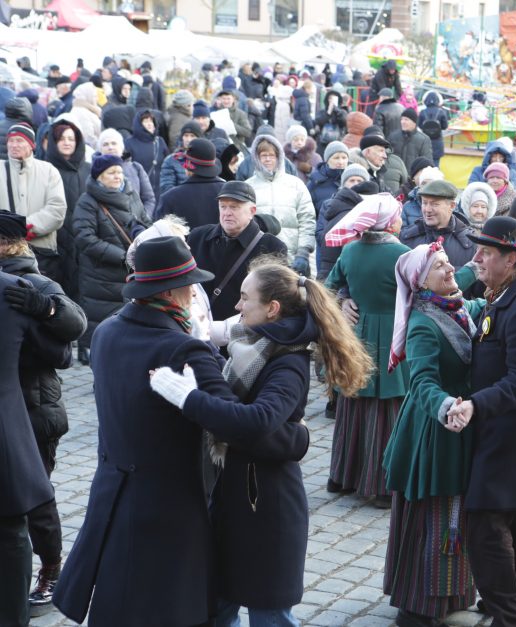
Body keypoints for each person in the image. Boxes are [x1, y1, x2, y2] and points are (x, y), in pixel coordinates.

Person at [52, 237, 302, 626]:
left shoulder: (106, 333)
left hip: (114, 497)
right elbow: (241, 423)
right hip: (171, 513)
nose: (194, 291)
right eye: (189, 283)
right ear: (171, 292)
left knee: (121, 609)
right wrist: (297, 438)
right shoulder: (184, 349)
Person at [149, 260, 371, 627]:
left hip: (268, 511)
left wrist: (189, 398)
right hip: (233, 501)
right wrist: (293, 438)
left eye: (244, 298)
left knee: (270, 615)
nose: (237, 306)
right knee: (220, 609)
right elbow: (261, 428)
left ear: (272, 309)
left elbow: (257, 422)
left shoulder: (288, 361)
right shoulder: (252, 345)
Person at [442, 215, 516, 626]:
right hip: (511, 427)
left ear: (511, 258)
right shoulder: (505, 294)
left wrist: (475, 404)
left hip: (513, 431)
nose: (477, 260)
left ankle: (509, 615)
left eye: (486, 253)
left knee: (487, 524)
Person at [383, 242, 481, 627]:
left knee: (453, 508)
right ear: (420, 282)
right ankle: (418, 603)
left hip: (459, 423)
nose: (449, 269)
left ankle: (453, 594)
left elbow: (467, 281)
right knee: (433, 512)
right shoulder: (423, 322)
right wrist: (446, 408)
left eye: (447, 262)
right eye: (439, 266)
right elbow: (423, 381)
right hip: (434, 427)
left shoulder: (458, 308)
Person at [0, 212, 86, 617]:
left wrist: (42, 309)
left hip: (34, 404)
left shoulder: (35, 282)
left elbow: (73, 331)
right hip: (8, 408)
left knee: (36, 495)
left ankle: (51, 568)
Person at [325, 194, 411, 506]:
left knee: (354, 407)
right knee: (386, 411)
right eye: (398, 216)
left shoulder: (349, 251)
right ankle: (380, 486)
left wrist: (345, 300)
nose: (401, 221)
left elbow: (329, 287)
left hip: (358, 336)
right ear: (389, 222)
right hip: (393, 338)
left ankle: (343, 476)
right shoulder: (403, 254)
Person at [0, 245, 57, 627]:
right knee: (10, 528)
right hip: (7, 426)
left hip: (11, 424)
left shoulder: (15, 289)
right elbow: (60, 351)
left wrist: (49, 307)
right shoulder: (12, 289)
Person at [72, 153, 150, 365]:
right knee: (101, 321)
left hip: (130, 271)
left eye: (119, 172)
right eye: (111, 172)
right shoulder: (88, 201)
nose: (118, 176)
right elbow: (84, 237)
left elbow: (144, 219)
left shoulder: (130, 193)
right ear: (99, 177)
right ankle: (96, 359)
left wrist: (142, 233)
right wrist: (122, 256)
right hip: (101, 276)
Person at [188, 181, 288, 320]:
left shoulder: (272, 247)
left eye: (234, 207)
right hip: (202, 329)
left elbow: (277, 297)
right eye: (223, 207)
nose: (227, 213)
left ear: (252, 211)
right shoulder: (198, 237)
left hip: (246, 331)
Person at [0, 123, 67, 283]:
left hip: (42, 252)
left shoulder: (49, 170)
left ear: (31, 145)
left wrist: (27, 226)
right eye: (11, 140)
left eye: (20, 140)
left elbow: (57, 209)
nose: (14, 145)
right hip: (4, 251)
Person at [245, 134, 316, 275]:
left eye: (272, 155)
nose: (267, 159)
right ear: (256, 157)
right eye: (263, 155)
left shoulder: (295, 184)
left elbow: (307, 219)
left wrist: (303, 251)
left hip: (292, 256)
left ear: (279, 157)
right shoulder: (248, 186)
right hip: (260, 257)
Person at [44, 119, 90, 301]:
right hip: (55, 240)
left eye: (71, 138)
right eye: (61, 138)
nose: (67, 142)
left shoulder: (88, 169)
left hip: (83, 240)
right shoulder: (45, 169)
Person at [400, 180, 475, 268]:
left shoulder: (469, 243)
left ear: (452, 206)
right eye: (424, 203)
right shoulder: (407, 238)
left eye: (434, 204)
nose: (427, 209)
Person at [315, 175, 378, 281]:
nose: (355, 183)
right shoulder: (351, 217)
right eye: (352, 180)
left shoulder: (351, 213)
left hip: (333, 275)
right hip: (337, 276)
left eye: (359, 180)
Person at [154, 139, 226, 229]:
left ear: (187, 168)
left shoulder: (169, 198)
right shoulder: (228, 192)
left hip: (183, 243)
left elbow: (160, 236)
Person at [96, 128, 157, 218]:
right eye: (105, 144)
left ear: (121, 148)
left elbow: (149, 199)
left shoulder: (136, 168)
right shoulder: (93, 171)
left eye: (114, 143)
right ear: (100, 150)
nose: (110, 147)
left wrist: (144, 219)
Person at [124, 109, 169, 203]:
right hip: (139, 193)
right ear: (138, 124)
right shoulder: (129, 143)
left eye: (151, 121)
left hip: (160, 192)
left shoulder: (160, 141)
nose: (149, 124)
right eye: (145, 121)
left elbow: (167, 164)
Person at [158, 121, 203, 196]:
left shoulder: (206, 159)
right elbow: (166, 188)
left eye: (192, 136)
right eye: (186, 135)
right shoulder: (171, 160)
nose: (188, 139)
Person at [389, 108, 432, 175]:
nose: (403, 122)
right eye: (402, 119)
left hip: (413, 178)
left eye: (406, 119)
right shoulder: (393, 136)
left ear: (414, 123)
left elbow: (427, 162)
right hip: (395, 176)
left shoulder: (423, 139)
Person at [418, 90, 449, 167]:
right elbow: (445, 126)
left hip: (425, 141)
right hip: (438, 141)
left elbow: (419, 125)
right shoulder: (441, 112)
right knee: (436, 165)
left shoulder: (422, 112)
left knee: (424, 165)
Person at [313, 87, 347, 156]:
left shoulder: (342, 111)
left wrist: (337, 111)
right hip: (323, 141)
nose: (332, 101)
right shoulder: (322, 112)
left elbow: (344, 122)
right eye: (330, 98)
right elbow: (319, 122)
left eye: (334, 99)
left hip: (338, 140)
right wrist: (328, 112)